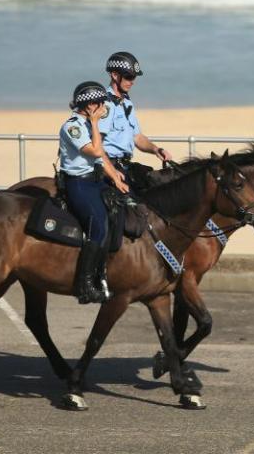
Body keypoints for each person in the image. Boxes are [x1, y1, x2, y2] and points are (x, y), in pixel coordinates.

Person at [58, 81, 129, 304]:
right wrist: (96, 123)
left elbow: (101, 157)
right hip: (78, 183)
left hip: (95, 180)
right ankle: (85, 285)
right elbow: (95, 150)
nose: (102, 107)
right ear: (88, 105)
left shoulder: (89, 124)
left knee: (120, 208)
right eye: (98, 103)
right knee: (98, 225)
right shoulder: (73, 126)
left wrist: (114, 175)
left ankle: (104, 271)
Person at [100, 52, 172, 193]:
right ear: (115, 75)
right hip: (109, 167)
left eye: (134, 77)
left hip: (126, 166)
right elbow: (96, 144)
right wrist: (112, 172)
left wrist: (156, 149)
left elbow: (137, 137)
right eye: (129, 77)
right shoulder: (105, 105)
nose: (132, 81)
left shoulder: (126, 102)